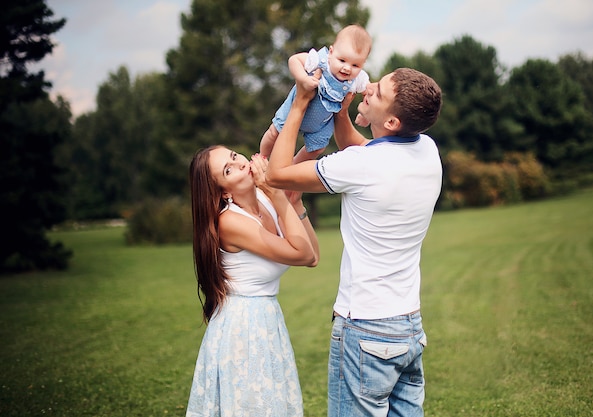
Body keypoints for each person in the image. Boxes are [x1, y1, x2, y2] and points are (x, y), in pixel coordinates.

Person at [265, 67, 443, 417]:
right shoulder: (426, 148)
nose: (368, 88)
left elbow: (276, 174)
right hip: (408, 326)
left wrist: (301, 103)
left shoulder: (362, 165)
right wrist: (343, 111)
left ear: (391, 122)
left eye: (377, 93)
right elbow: (361, 150)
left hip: (365, 327)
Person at [186, 146, 319, 417]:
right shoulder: (230, 223)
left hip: (266, 318)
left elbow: (313, 257)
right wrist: (281, 198)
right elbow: (302, 253)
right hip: (242, 327)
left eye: (234, 156)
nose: (238, 164)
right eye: (227, 170)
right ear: (223, 191)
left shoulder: (266, 198)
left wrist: (295, 204)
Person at [260, 24, 372, 164]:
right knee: (274, 133)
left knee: (317, 149)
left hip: (321, 123)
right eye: (342, 60)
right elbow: (294, 60)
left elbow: (369, 93)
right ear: (331, 52)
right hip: (294, 109)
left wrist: (366, 115)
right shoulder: (320, 60)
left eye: (355, 65)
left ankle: (293, 166)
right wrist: (304, 79)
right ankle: (261, 157)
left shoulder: (359, 78)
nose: (347, 68)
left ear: (363, 64)